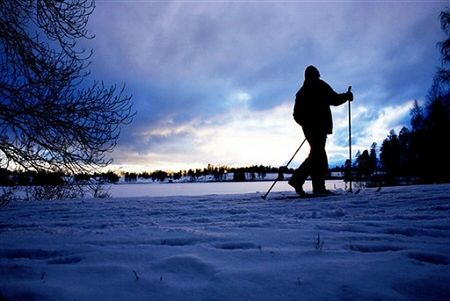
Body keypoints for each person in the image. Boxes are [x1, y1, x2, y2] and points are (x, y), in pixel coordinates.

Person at [289, 65, 353, 195]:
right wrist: (346, 96)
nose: (318, 77)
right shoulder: (318, 86)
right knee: (318, 155)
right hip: (316, 128)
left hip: (314, 128)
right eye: (317, 74)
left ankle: (317, 186)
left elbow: (297, 115)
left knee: (318, 155)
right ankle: (299, 180)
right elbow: (334, 99)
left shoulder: (303, 92)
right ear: (315, 75)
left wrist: (306, 124)